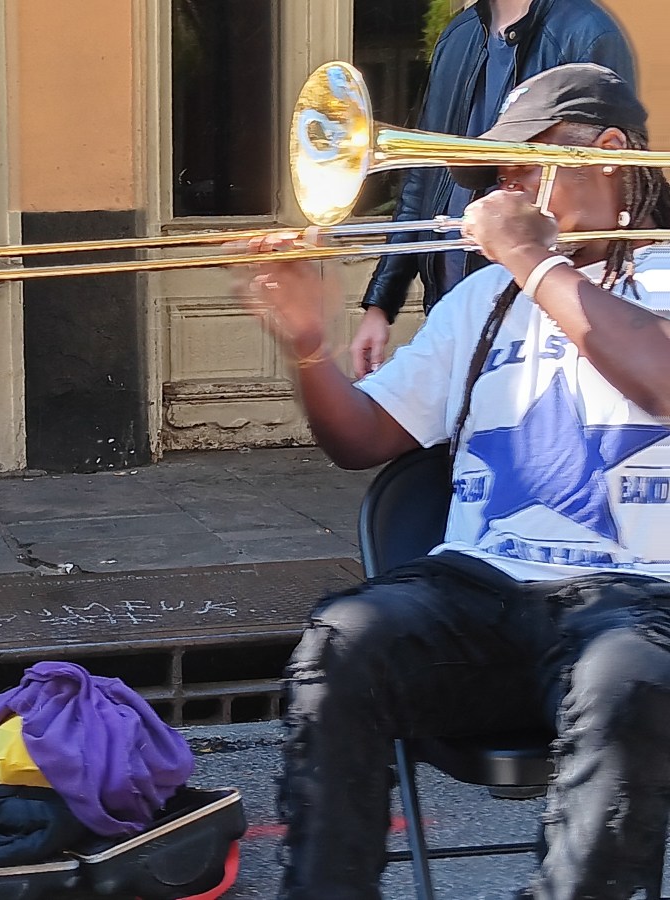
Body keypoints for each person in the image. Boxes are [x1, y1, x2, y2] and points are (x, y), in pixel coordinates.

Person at [240, 64, 670, 898]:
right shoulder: (479, 298)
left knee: (628, 686)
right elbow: (360, 440)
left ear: (609, 153)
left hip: (641, 597)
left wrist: (533, 261)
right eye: (495, 175)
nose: (505, 192)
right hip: (478, 588)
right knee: (341, 640)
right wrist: (305, 342)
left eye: (522, 167)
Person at [350, 0, 635, 378]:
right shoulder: (459, 35)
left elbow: (607, 178)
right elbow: (422, 174)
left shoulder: (587, 29)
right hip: (452, 300)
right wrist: (380, 305)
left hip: (534, 304)